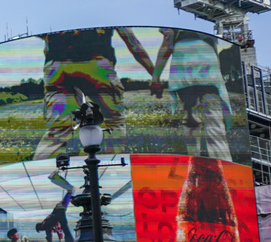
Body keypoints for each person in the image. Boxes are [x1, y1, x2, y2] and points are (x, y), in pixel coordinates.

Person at [33, 27, 155, 160]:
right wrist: (155, 76)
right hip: (97, 65)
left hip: (57, 67)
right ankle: (111, 168)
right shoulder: (107, 9)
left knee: (57, 131)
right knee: (114, 122)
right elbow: (133, 43)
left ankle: (38, 173)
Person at [150, 28, 233, 162]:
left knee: (191, 122)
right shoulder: (207, 34)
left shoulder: (173, 28)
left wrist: (155, 78)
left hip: (184, 66)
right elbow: (215, 53)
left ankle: (194, 164)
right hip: (209, 67)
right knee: (215, 123)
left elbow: (167, 42)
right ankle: (224, 165)